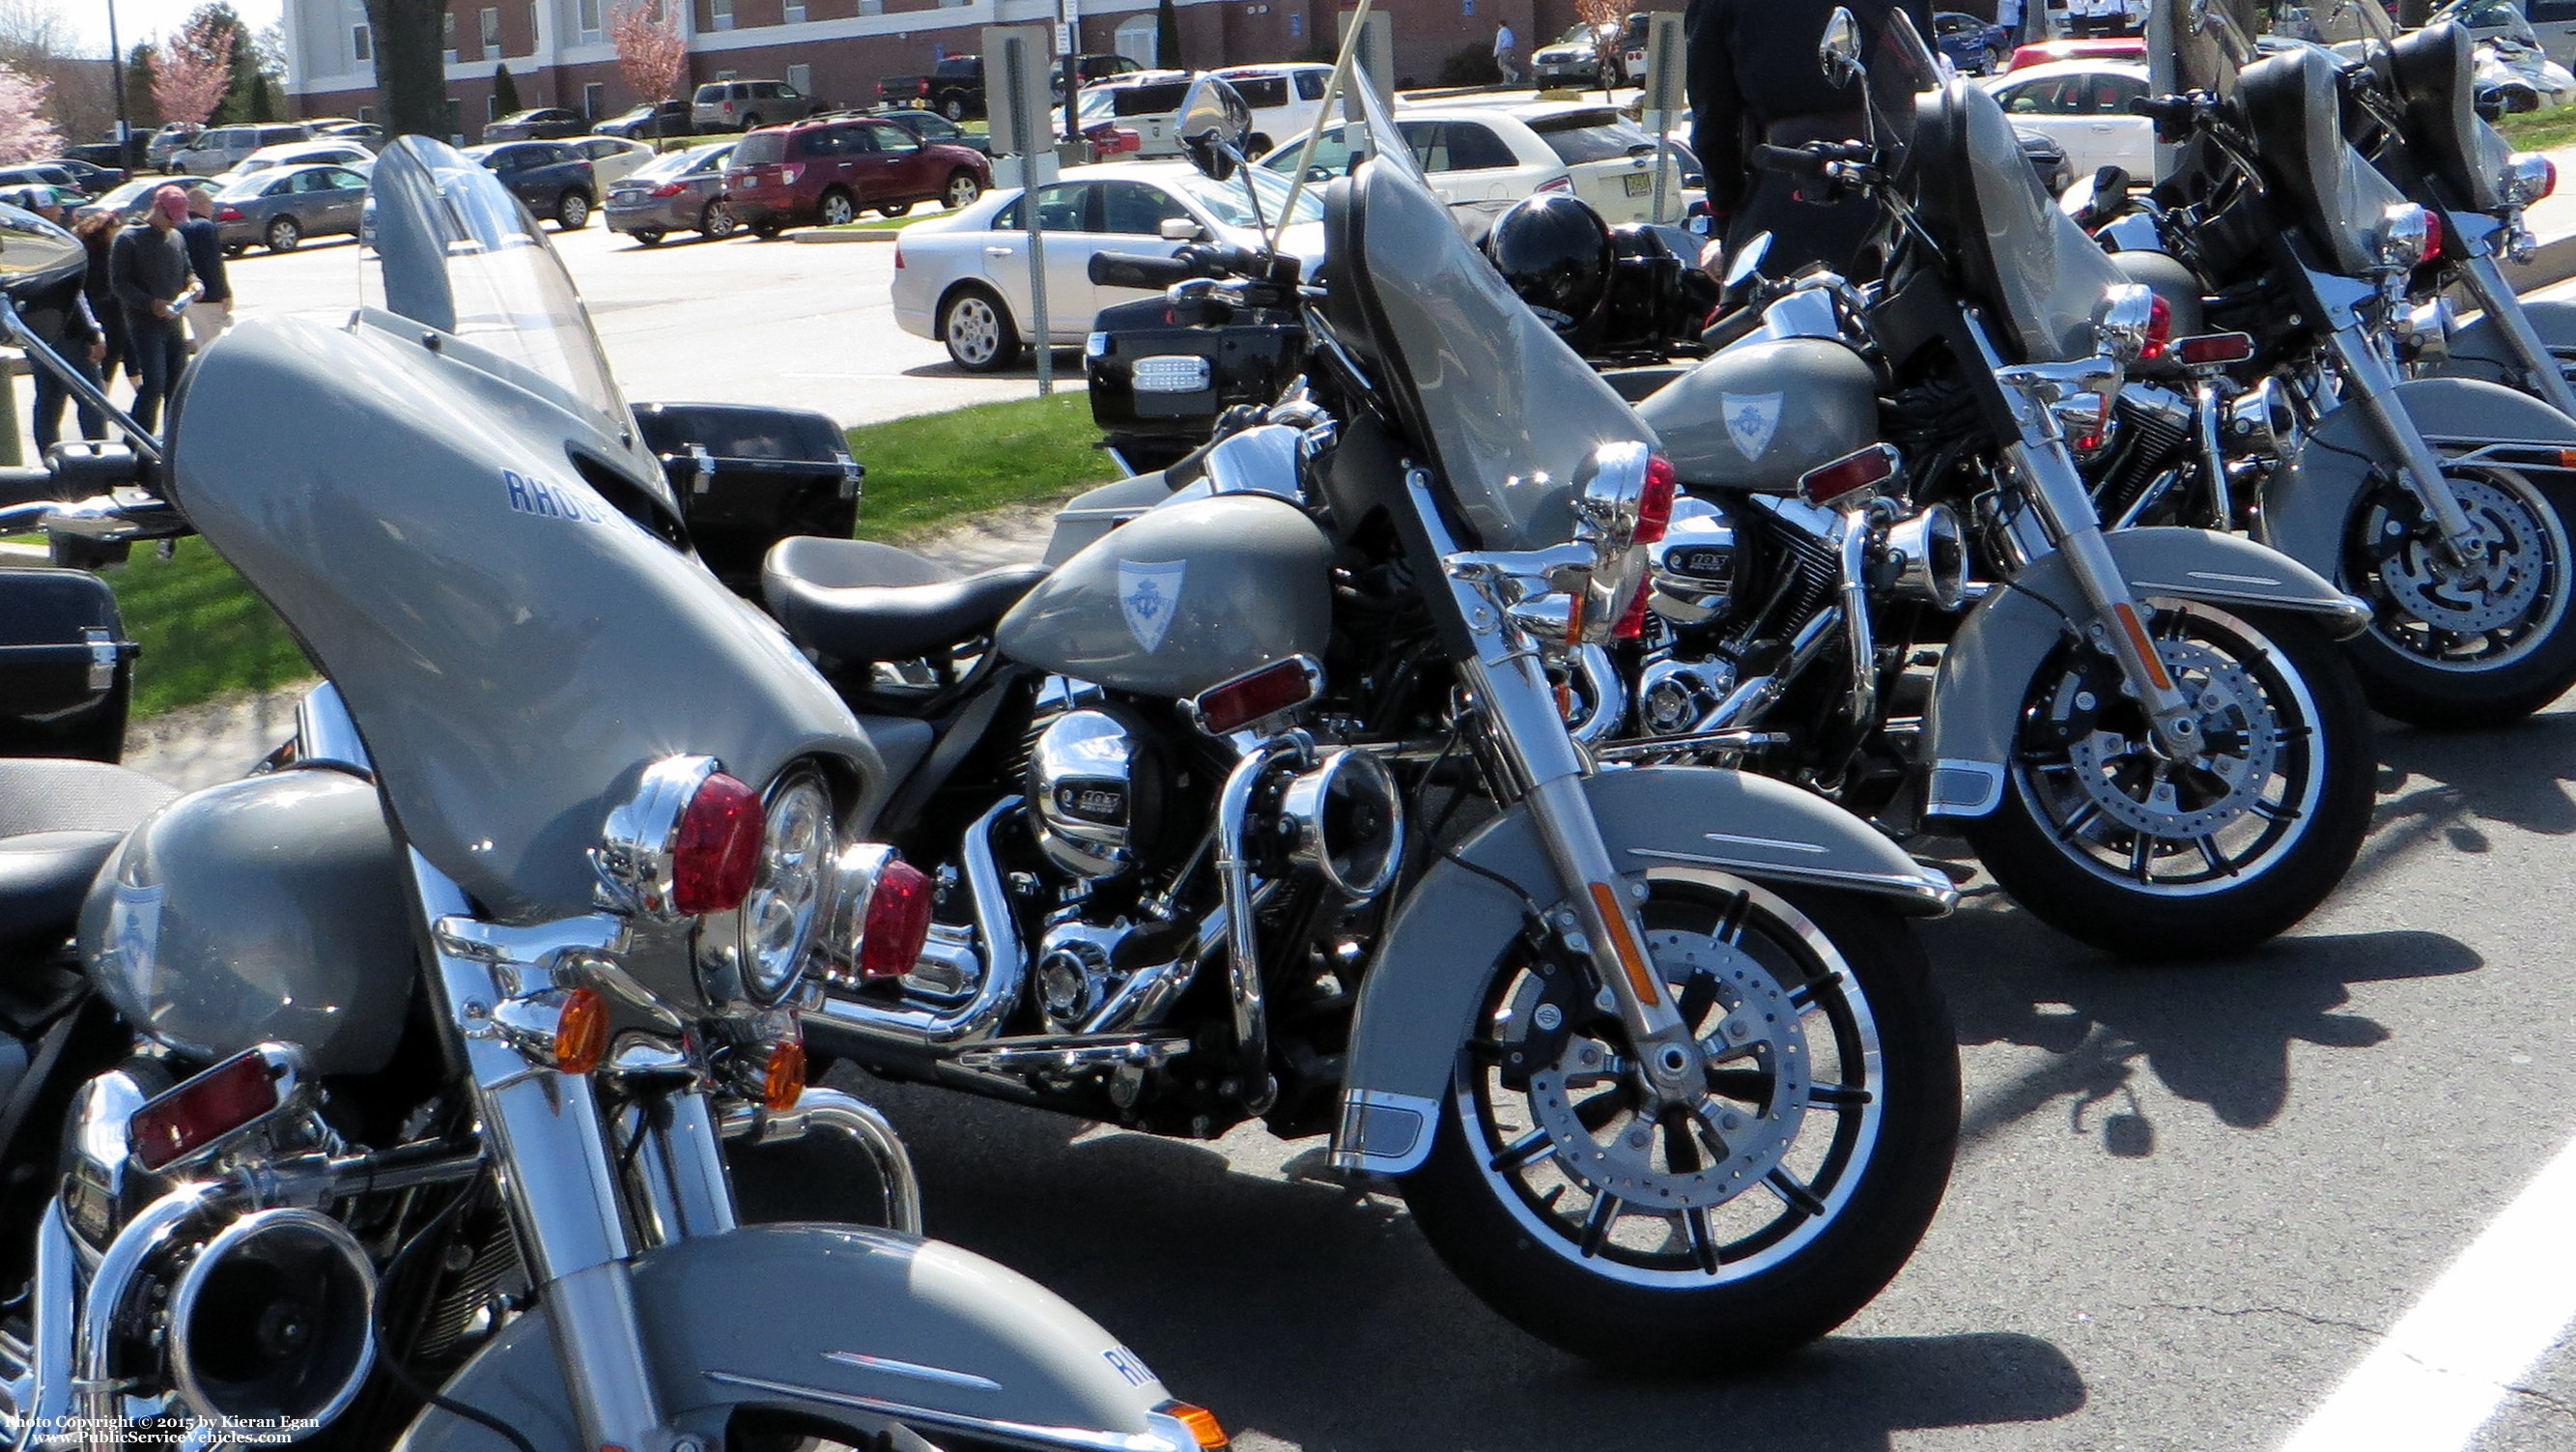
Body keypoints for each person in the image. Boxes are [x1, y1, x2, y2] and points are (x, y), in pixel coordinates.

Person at [1685, 0, 1934, 279]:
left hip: (1790, 193)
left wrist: (1726, 223)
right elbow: (1929, 84)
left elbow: (1713, 129)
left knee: (1758, 313)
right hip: (1901, 190)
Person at [11, 189, 105, 456]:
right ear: (41, 210)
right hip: (68, 332)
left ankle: (50, 462)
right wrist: (93, 332)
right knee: (92, 398)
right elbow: (74, 292)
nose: (61, 211)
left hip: (35, 333)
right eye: (55, 206)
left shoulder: (15, 245)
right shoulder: (50, 243)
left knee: (49, 400)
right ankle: (99, 459)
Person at [109, 185, 199, 434]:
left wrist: (194, 283)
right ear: (157, 207)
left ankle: (174, 438)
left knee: (177, 385)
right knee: (154, 384)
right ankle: (139, 439)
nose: (174, 224)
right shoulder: (129, 238)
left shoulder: (176, 238)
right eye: (171, 217)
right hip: (144, 324)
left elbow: (187, 269)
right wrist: (150, 303)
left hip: (174, 321)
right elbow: (119, 284)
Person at [74, 208, 132, 410]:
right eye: (115, 226)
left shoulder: (87, 250)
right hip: (107, 308)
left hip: (105, 306)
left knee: (128, 351)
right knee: (112, 352)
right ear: (104, 229)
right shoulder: (104, 252)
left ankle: (142, 394)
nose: (119, 230)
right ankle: (101, 399)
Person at [180, 187, 233, 352]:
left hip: (187, 295)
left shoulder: (178, 227)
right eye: (210, 203)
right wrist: (225, 292)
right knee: (218, 345)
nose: (212, 208)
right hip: (209, 295)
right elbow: (214, 263)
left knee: (202, 341)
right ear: (200, 204)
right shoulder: (205, 227)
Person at [1494, 20, 1520, 84]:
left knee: (1501, 65)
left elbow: (1499, 43)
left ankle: (1513, 74)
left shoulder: (1501, 32)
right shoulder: (1508, 31)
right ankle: (1507, 81)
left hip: (1504, 49)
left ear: (1500, 25)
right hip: (1509, 49)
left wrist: (1496, 52)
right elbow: (1512, 39)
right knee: (1506, 65)